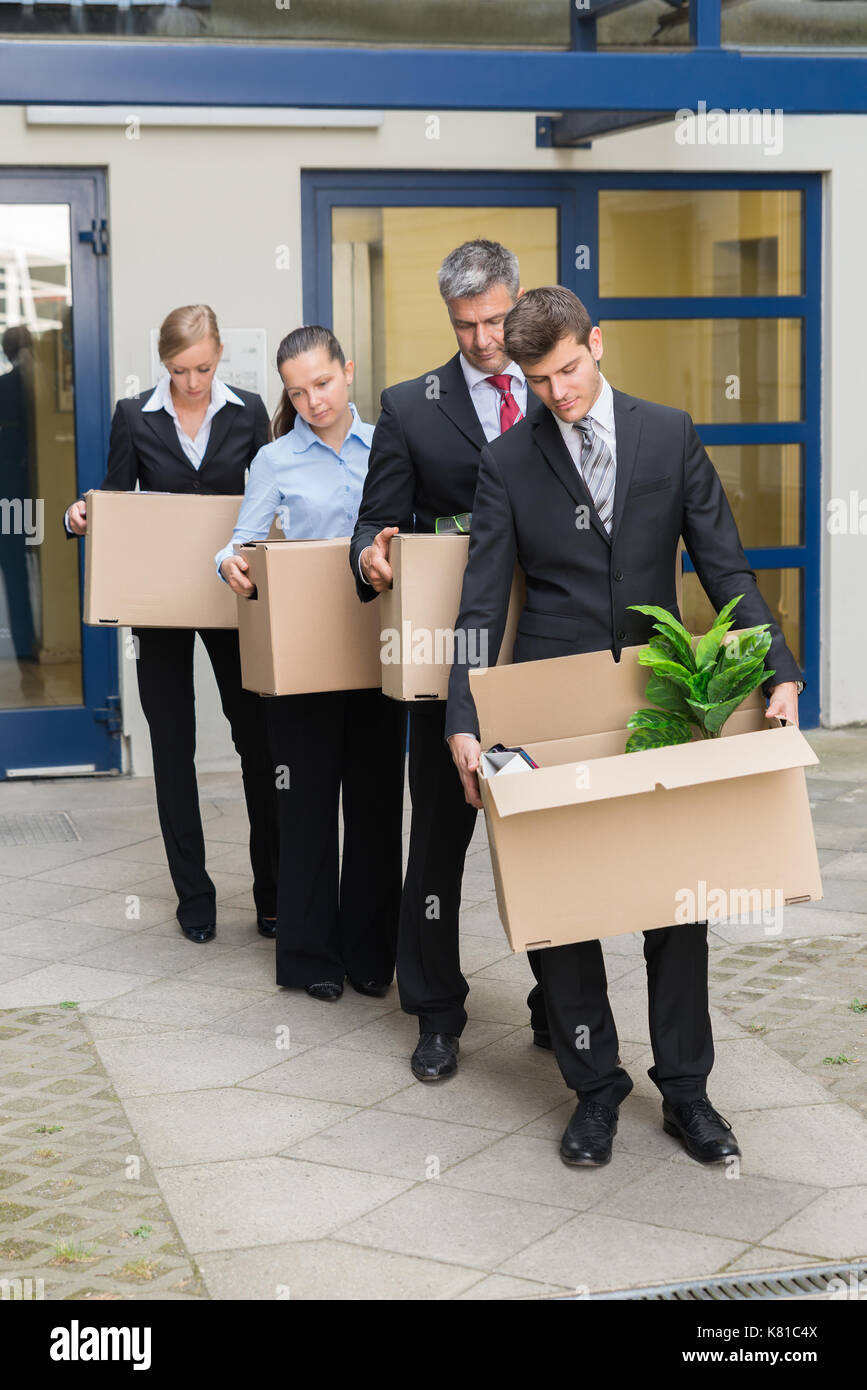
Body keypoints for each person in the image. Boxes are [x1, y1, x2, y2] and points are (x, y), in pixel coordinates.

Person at [446, 285, 804, 1168]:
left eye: (568, 369)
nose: (558, 392)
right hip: (549, 701)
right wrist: (463, 715)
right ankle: (595, 1089)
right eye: (539, 379)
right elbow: (480, 601)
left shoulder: (670, 433)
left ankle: (686, 1092)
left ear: (595, 344)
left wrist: (779, 671)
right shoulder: (505, 462)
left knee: (675, 902)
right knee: (564, 907)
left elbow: (724, 566)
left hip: (658, 696)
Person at [349, 238, 549, 1083]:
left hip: (547, 657)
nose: (482, 340)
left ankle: (559, 1006)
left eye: (496, 319)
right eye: (466, 325)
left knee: (547, 835)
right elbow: (373, 521)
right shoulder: (410, 406)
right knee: (435, 838)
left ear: (517, 302)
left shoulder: (555, 388)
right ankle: (434, 1012)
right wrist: (371, 559)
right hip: (450, 658)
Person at [64, 304, 278, 945]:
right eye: (181, 370)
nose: (193, 382)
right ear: (165, 363)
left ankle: (271, 895)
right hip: (159, 608)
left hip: (228, 598)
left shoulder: (248, 411)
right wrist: (84, 515)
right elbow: (117, 498)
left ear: (219, 356)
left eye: (204, 368)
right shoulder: (134, 415)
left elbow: (269, 495)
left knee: (257, 744)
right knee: (173, 747)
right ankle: (195, 897)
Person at [217, 325, 405, 1002]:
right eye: (296, 393)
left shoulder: (390, 443)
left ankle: (370, 954)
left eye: (321, 384)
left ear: (347, 371)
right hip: (301, 655)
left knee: (378, 806)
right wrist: (231, 565)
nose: (312, 402)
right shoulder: (274, 459)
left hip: (378, 648)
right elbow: (238, 542)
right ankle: (309, 957)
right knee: (303, 807)